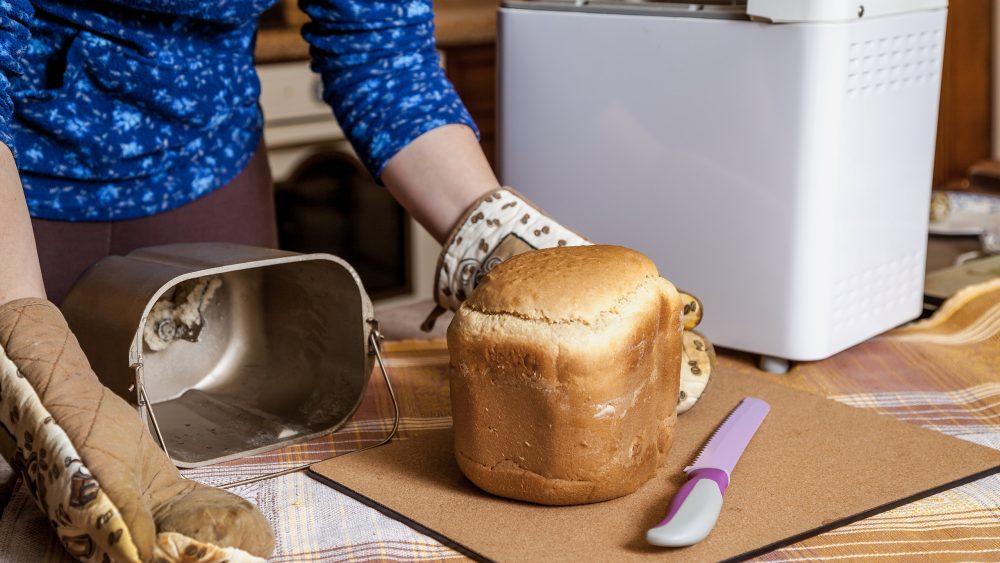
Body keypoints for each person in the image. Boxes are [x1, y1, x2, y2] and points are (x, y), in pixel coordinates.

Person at [0, 2, 710, 561]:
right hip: (19, 187)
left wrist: (510, 251)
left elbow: (383, 52)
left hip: (206, 170)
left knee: (247, 427)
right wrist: (26, 338)